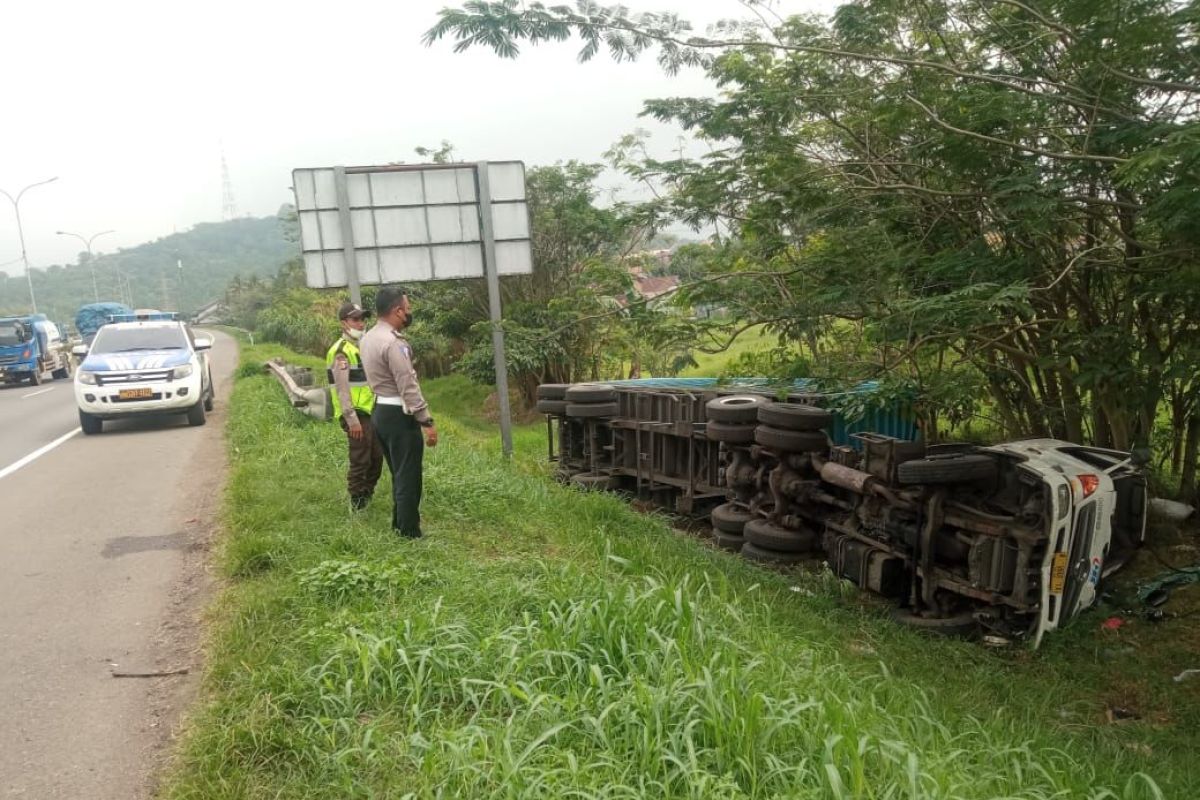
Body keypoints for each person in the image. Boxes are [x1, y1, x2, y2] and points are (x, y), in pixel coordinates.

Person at [360, 286, 438, 538]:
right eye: (408, 309)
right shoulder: (393, 343)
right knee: (408, 476)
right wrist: (425, 420)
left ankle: (399, 523)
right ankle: (409, 532)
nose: (409, 313)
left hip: (380, 411)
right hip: (399, 415)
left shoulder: (368, 338)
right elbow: (407, 383)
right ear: (397, 311)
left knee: (398, 473)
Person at [326, 302, 383, 511]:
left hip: (370, 411)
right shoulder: (341, 351)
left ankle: (366, 495)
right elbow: (342, 390)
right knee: (361, 458)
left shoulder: (359, 347)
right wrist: (352, 420)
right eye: (355, 319)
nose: (360, 324)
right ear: (344, 323)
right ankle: (357, 503)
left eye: (362, 319)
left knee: (377, 457)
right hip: (356, 414)